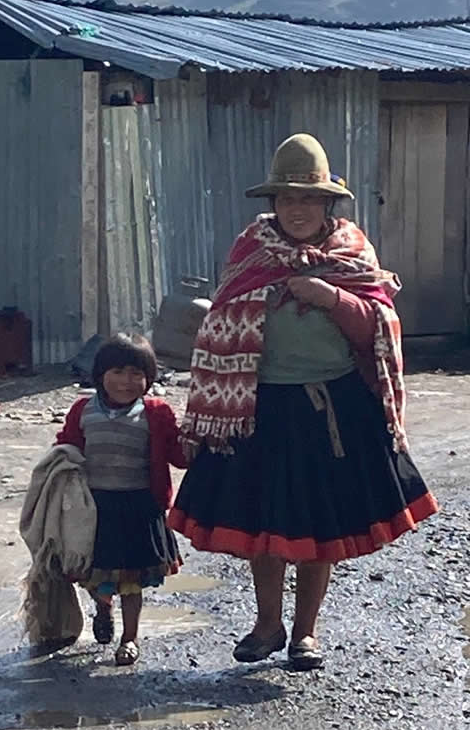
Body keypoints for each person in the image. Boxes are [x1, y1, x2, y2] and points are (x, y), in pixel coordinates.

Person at [169, 133, 438, 671]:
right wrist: (270, 296)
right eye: (288, 198)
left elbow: (378, 327)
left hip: (333, 409)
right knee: (265, 526)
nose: (298, 208)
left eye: (309, 199)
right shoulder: (251, 252)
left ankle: (305, 635)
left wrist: (329, 295)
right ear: (273, 205)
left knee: (323, 527)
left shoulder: (351, 254)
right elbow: (221, 316)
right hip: (259, 407)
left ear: (328, 205)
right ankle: (267, 624)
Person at [56, 334, 187, 666]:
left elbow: (177, 454)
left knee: (131, 580)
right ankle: (103, 607)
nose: (126, 382)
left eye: (135, 373)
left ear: (148, 378)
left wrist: (199, 439)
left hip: (138, 507)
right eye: (117, 372)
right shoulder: (82, 410)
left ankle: (130, 638)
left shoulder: (156, 412)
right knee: (92, 573)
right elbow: (66, 449)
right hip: (94, 509)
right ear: (101, 374)